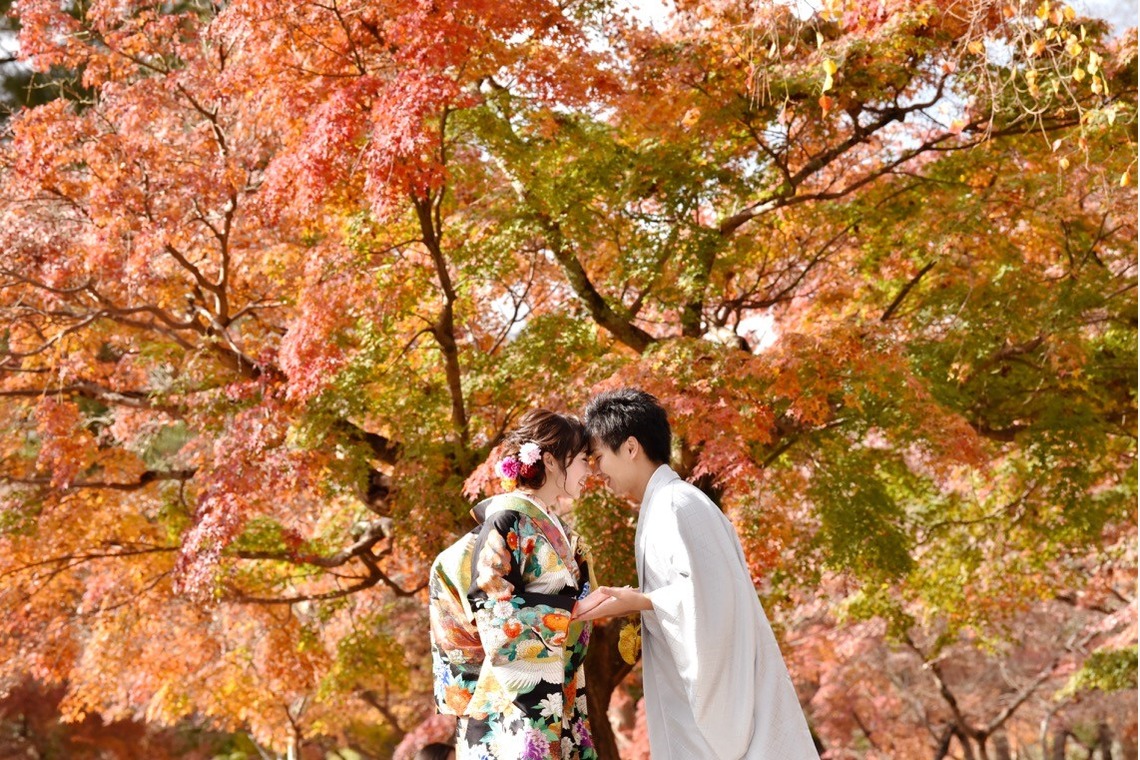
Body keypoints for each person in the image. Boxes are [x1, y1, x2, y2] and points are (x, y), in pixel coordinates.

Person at [573, 389, 820, 760]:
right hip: (688, 702)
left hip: (711, 717)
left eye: (599, 457)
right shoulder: (664, 506)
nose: (596, 471)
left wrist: (641, 601)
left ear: (630, 448)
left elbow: (712, 599)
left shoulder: (678, 505)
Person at [429, 409, 598, 759]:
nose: (589, 471)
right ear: (551, 461)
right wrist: (578, 610)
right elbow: (495, 609)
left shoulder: (548, 527)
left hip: (554, 691)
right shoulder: (509, 520)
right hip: (516, 706)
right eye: (584, 459)